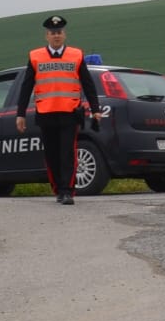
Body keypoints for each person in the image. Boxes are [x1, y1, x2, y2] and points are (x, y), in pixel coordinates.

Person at [16, 14, 101, 205]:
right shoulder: (35, 56)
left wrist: (95, 109)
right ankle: (57, 188)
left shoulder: (76, 55)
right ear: (46, 36)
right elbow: (26, 86)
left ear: (65, 35)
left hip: (69, 112)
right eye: (53, 33)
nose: (56, 36)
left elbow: (88, 84)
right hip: (46, 113)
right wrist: (20, 114)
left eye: (59, 32)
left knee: (67, 153)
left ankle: (67, 191)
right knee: (52, 154)